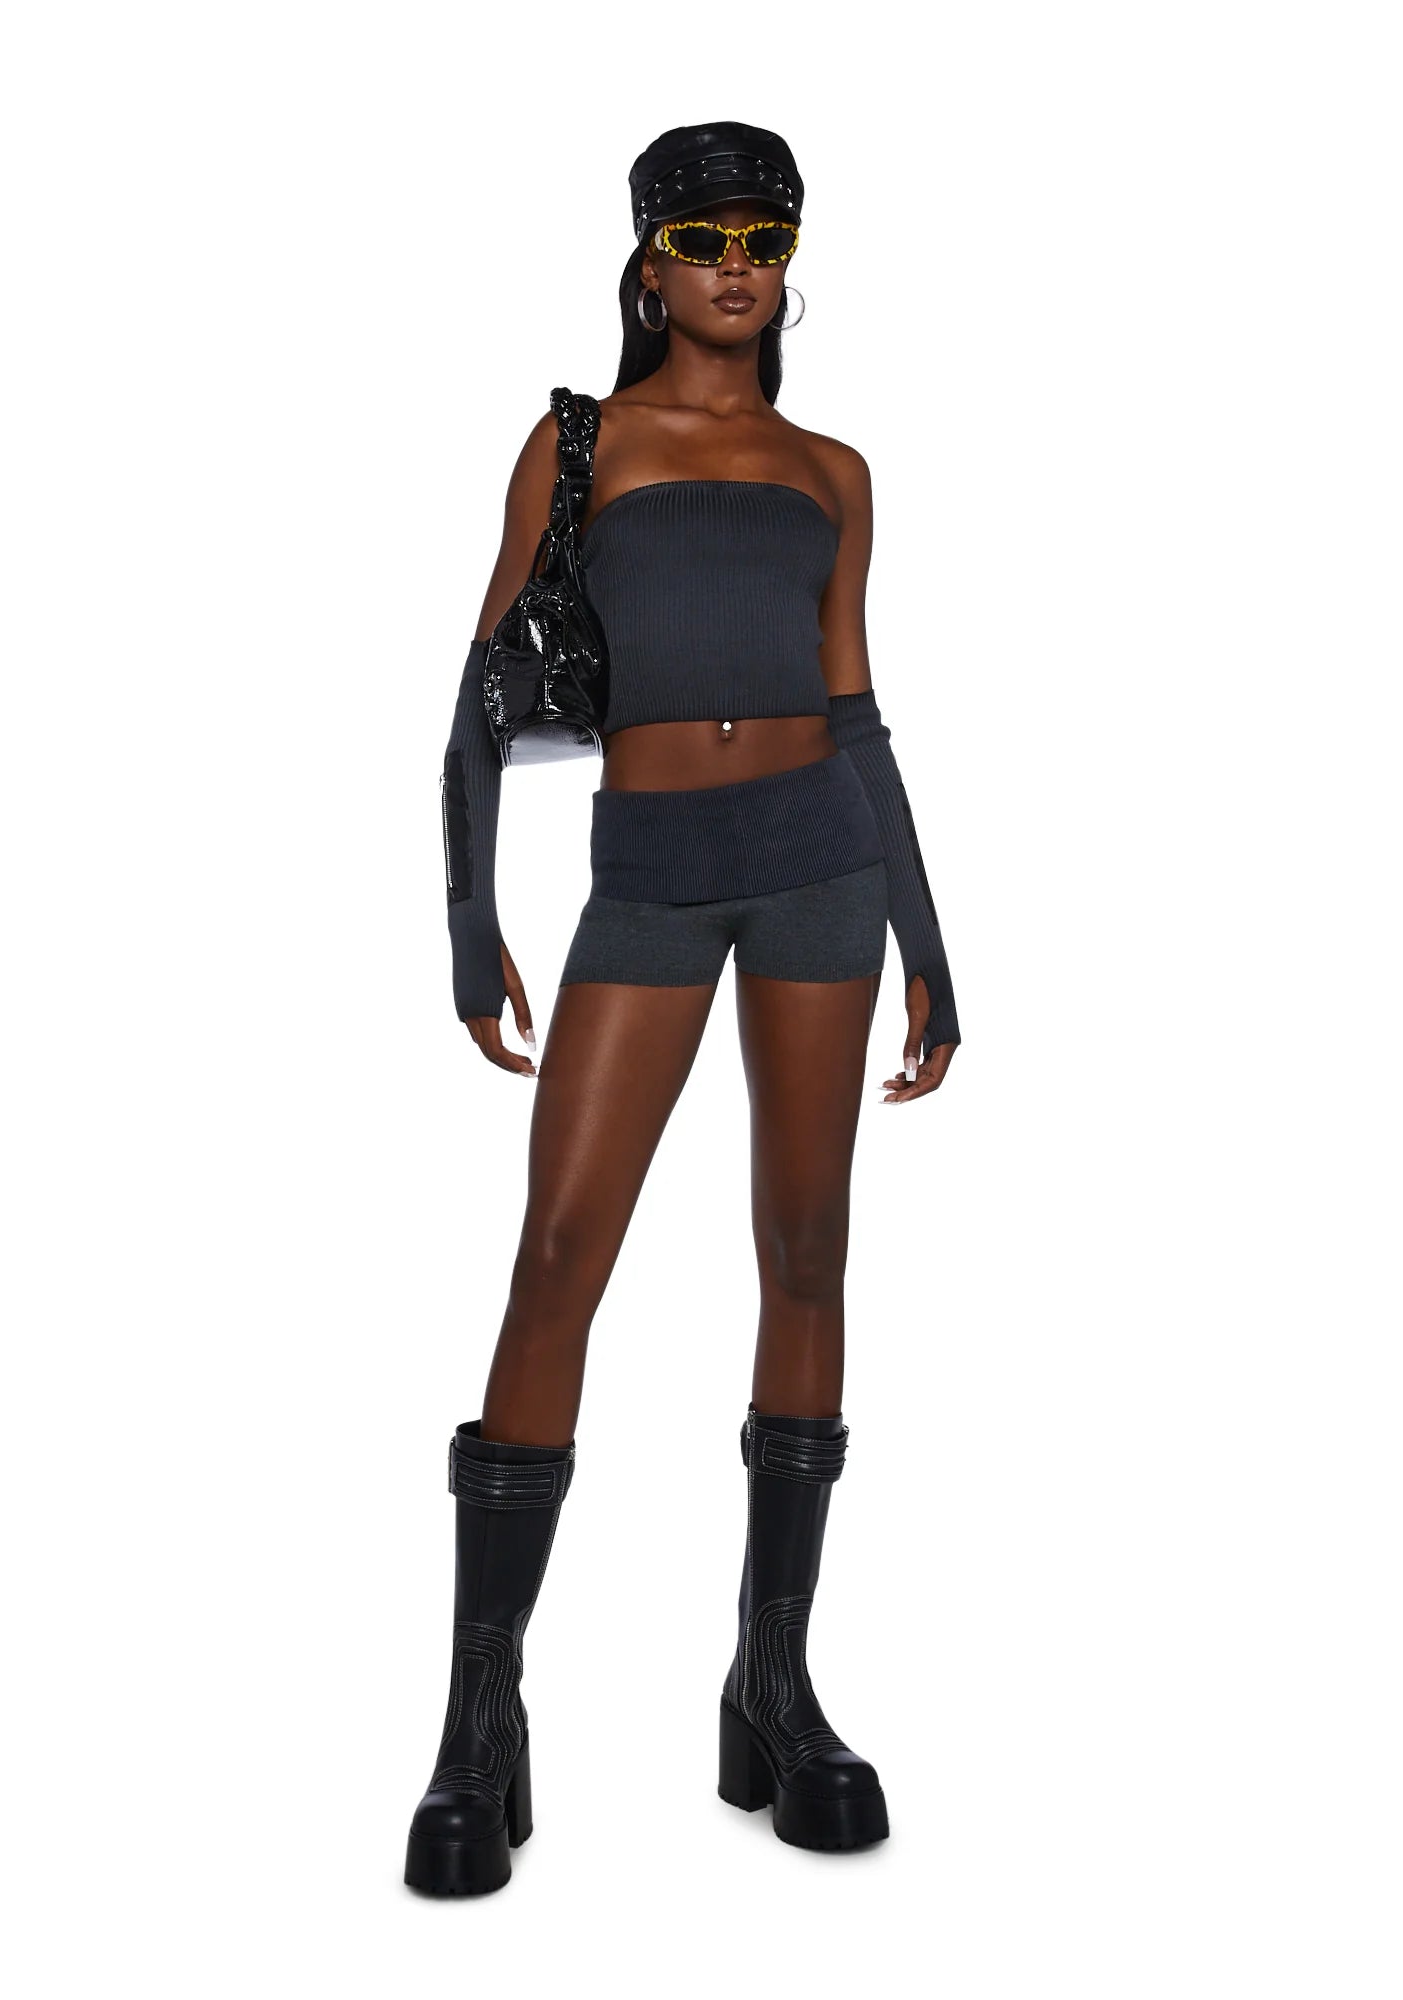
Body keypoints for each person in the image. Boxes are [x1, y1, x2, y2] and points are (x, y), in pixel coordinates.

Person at [406, 122, 961, 1896]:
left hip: (818, 864)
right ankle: (479, 1720)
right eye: (703, 237)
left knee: (806, 1248)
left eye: (764, 238)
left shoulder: (831, 470)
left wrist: (929, 937)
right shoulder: (582, 442)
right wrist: (471, 916)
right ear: (648, 261)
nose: (736, 266)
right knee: (557, 1253)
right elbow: (480, 696)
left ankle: (770, 1689)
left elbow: (858, 712)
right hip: (645, 870)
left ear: (790, 264)